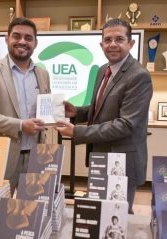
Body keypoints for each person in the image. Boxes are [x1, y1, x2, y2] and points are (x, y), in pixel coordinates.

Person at [55, 18, 153, 214]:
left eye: (119, 39)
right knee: (100, 213)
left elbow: (125, 124)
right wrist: (78, 112)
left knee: (118, 217)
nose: (113, 44)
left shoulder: (138, 76)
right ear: (101, 45)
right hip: (100, 157)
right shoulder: (103, 70)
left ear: (130, 43)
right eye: (108, 40)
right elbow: (102, 108)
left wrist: (77, 131)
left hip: (122, 162)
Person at [0, 17, 51, 195]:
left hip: (35, 156)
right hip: (1, 157)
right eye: (17, 36)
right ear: (7, 39)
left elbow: (45, 113)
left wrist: (56, 114)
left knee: (31, 210)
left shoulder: (43, 74)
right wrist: (21, 125)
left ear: (35, 43)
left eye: (28, 38)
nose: (22, 41)